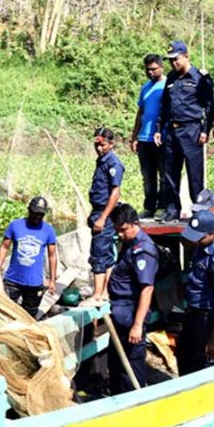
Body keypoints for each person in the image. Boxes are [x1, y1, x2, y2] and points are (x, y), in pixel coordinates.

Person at [153, 40, 214, 222]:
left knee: (195, 174)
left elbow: (210, 106)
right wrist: (159, 129)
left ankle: (199, 211)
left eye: (177, 59)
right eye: (171, 60)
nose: (174, 63)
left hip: (192, 129)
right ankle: (173, 209)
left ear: (186, 56)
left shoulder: (200, 77)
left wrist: (205, 130)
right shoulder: (171, 78)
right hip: (172, 131)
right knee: (171, 173)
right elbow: (164, 106)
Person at [106, 204, 158, 393]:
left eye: (123, 230)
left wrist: (137, 325)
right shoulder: (127, 244)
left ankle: (134, 403)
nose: (120, 234)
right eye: (117, 230)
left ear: (135, 224)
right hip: (119, 313)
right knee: (116, 364)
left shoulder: (142, 250)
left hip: (131, 314)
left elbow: (147, 288)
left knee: (132, 368)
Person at [176, 210, 214, 375]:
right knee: (184, 356)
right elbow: (185, 241)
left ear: (213, 234)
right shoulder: (200, 246)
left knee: (202, 364)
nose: (194, 241)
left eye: (199, 237)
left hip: (207, 318)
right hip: (193, 313)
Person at [0, 196, 58, 318]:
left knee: (29, 316)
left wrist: (52, 280)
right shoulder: (15, 225)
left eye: (40, 214)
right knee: (5, 312)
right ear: (29, 209)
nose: (37, 217)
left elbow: (52, 256)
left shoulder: (48, 230)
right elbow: (4, 247)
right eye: (35, 213)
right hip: (12, 280)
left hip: (34, 283)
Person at [87, 127, 124, 302]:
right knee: (105, 253)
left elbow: (115, 193)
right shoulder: (101, 161)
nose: (99, 148)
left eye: (102, 145)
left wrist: (102, 218)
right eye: (97, 145)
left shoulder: (113, 164)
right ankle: (104, 292)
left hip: (104, 213)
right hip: (97, 210)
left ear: (111, 144)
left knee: (99, 253)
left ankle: (98, 295)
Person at [130, 54, 167, 220]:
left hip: (160, 138)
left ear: (161, 67)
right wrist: (134, 136)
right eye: (147, 70)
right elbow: (140, 112)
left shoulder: (167, 86)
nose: (150, 72)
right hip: (144, 138)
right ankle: (149, 207)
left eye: (153, 69)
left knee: (164, 175)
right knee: (148, 177)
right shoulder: (145, 87)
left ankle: (163, 206)